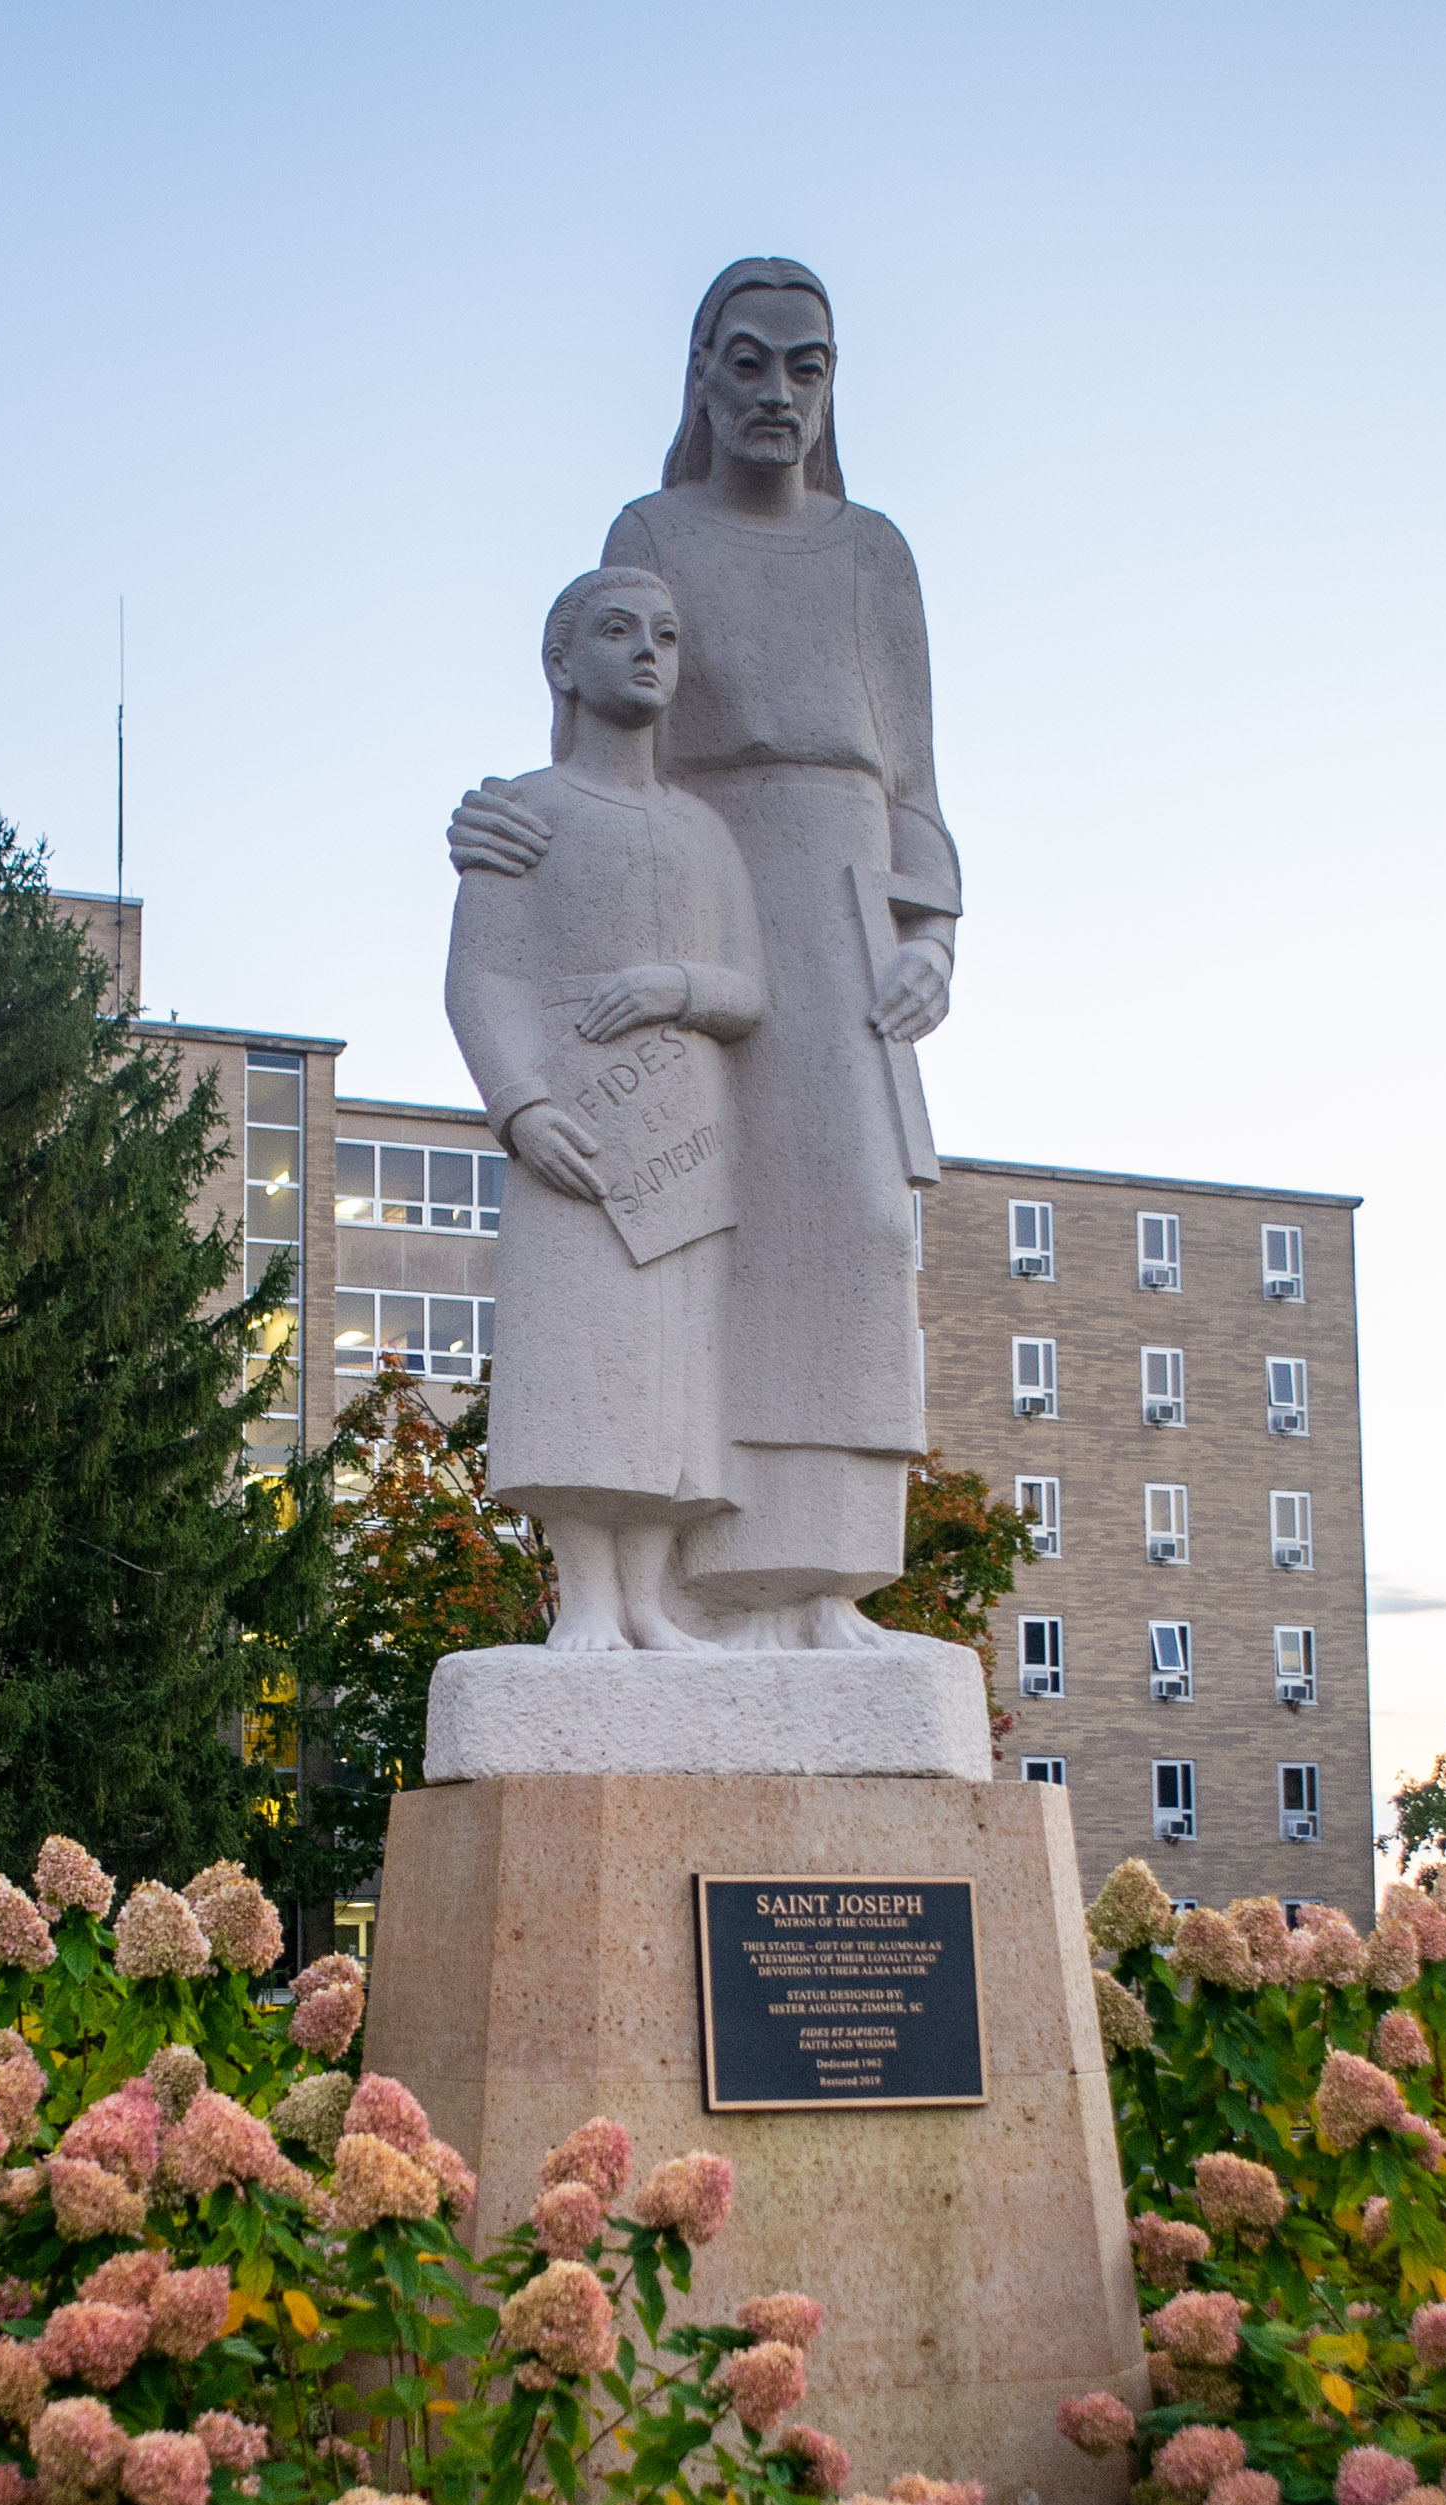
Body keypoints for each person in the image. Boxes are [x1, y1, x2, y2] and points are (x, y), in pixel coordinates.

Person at [452, 258, 961, 1653]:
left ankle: (820, 1583)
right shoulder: (652, 529)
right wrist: (514, 826)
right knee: (693, 1239)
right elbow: (597, 714)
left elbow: (917, 778)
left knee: (851, 1228)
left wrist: (933, 931)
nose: (777, 391)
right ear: (702, 376)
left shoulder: (873, 554)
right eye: (747, 361)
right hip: (689, 887)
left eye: (807, 364)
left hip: (842, 916)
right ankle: (680, 1578)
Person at [443, 568, 768, 1649]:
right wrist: (521, 1109)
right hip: (572, 1133)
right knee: (578, 1360)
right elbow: (480, 977)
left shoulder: (705, 832)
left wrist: (675, 986)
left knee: (673, 1371)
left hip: (685, 1137)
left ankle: (646, 1597)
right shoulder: (526, 814)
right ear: (562, 662)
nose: (646, 653)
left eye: (665, 636)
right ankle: (584, 1595)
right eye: (618, 630)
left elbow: (749, 990)